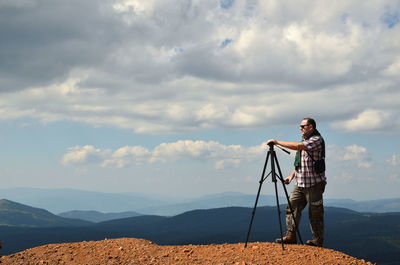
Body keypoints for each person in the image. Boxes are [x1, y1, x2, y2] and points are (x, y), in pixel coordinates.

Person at [267, 117, 326, 247]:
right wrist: (291, 176)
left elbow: (299, 147)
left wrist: (277, 142)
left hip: (314, 184)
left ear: (311, 127)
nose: (300, 128)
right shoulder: (305, 141)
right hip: (300, 184)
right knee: (291, 207)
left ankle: (317, 240)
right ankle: (291, 235)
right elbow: (301, 163)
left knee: (315, 212)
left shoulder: (316, 140)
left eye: (303, 126)